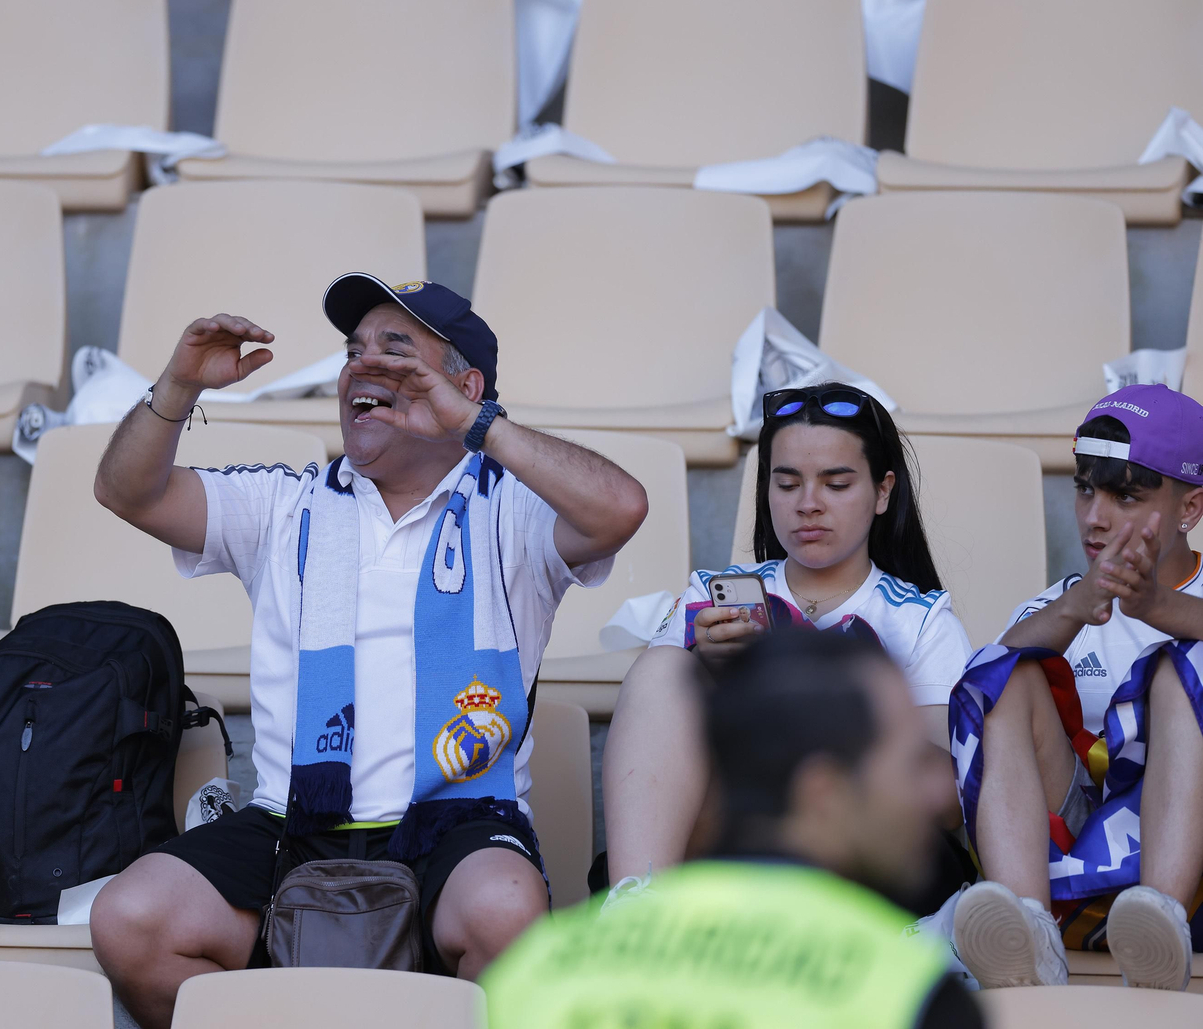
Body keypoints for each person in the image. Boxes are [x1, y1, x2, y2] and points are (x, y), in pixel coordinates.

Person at [86, 273, 649, 1027]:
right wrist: (179, 386)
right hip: (293, 821)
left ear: (465, 385)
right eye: (354, 351)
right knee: (131, 917)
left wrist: (478, 425)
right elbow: (129, 491)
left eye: (397, 349)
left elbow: (623, 507)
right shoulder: (287, 504)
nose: (364, 366)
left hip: (458, 821)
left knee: (506, 910)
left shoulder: (513, 508)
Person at [482, 630, 978, 1029]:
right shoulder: (906, 992)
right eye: (909, 765)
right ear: (822, 794)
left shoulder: (539, 969)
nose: (936, 792)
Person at [600, 383, 972, 893]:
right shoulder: (710, 596)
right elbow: (651, 742)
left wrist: (829, 701)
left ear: (884, 491)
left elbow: (946, 804)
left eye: (836, 485)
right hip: (727, 843)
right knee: (665, 666)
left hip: (866, 867)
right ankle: (635, 912)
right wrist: (712, 674)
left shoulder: (924, 621)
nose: (808, 504)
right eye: (787, 483)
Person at [949, 385, 1203, 991]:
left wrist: (1157, 608)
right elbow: (978, 700)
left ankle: (1160, 919)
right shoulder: (1057, 605)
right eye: (1085, 487)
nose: (1095, 516)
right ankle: (1027, 928)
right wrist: (1076, 606)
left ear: (1190, 509)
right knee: (1007, 673)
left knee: (1179, 665)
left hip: (1191, 871)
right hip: (1084, 858)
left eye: (1125, 494)